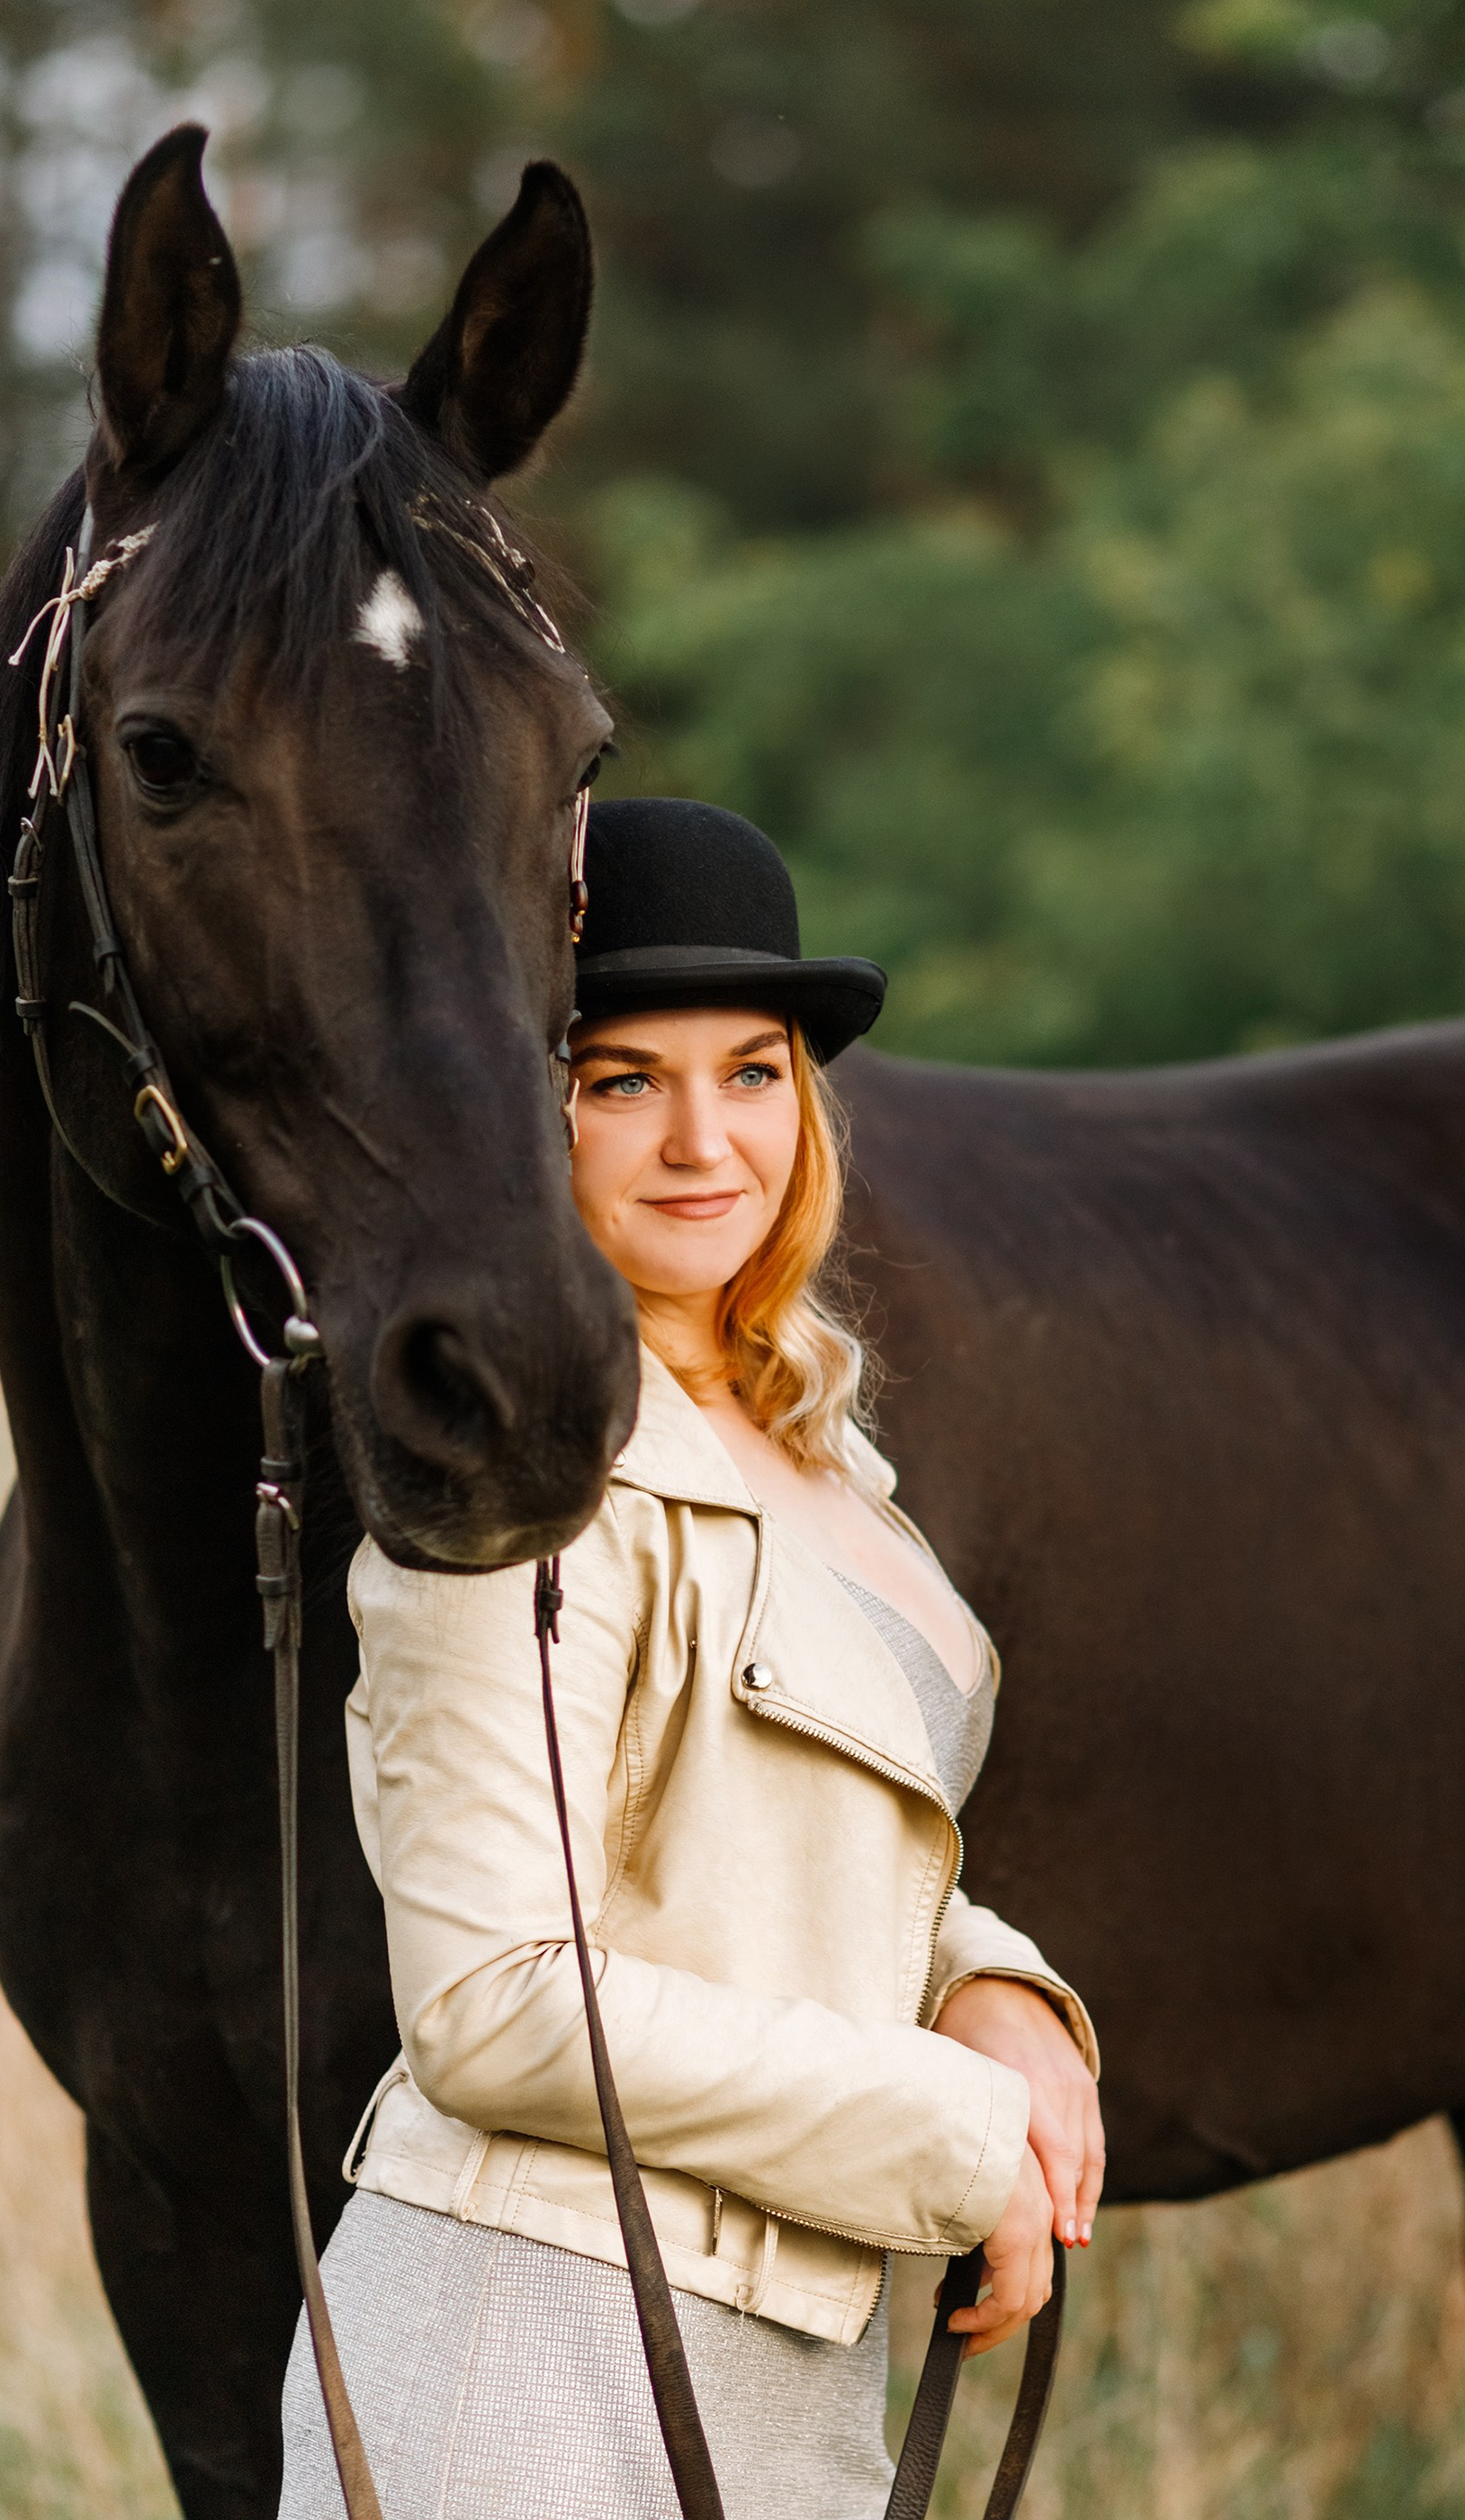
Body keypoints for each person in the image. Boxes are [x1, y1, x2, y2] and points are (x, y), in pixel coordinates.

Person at [279, 798, 1103, 2520]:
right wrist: (954, 2137)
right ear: (529, 1113)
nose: (699, 1141)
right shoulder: (514, 1476)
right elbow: (495, 2004)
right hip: (528, 2361)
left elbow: (790, 1831)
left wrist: (994, 1987)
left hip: (781, 2354)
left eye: (750, 1070)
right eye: (622, 1080)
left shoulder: (806, 1443)